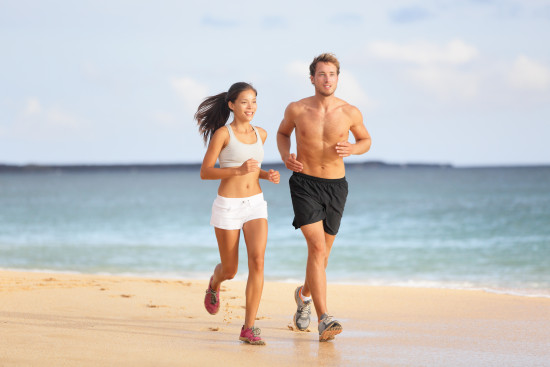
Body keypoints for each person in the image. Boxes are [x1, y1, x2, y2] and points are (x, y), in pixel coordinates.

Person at [277, 53, 371, 341]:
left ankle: (303, 296)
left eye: (332, 74)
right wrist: (286, 156)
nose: (327, 79)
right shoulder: (297, 108)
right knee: (317, 249)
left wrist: (353, 150)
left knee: (323, 256)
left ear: (337, 78)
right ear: (312, 78)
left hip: (336, 186)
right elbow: (283, 134)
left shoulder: (350, 112)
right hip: (304, 184)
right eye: (321, 74)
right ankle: (324, 318)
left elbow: (366, 140)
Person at [195, 82, 280, 346]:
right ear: (231, 105)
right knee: (230, 269)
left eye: (254, 101)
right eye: (244, 102)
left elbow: (252, 169)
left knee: (258, 261)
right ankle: (215, 282)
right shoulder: (223, 134)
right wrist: (237, 171)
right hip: (228, 206)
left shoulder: (261, 134)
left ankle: (249, 327)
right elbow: (206, 172)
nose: (250, 107)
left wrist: (267, 175)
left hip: (255, 203)